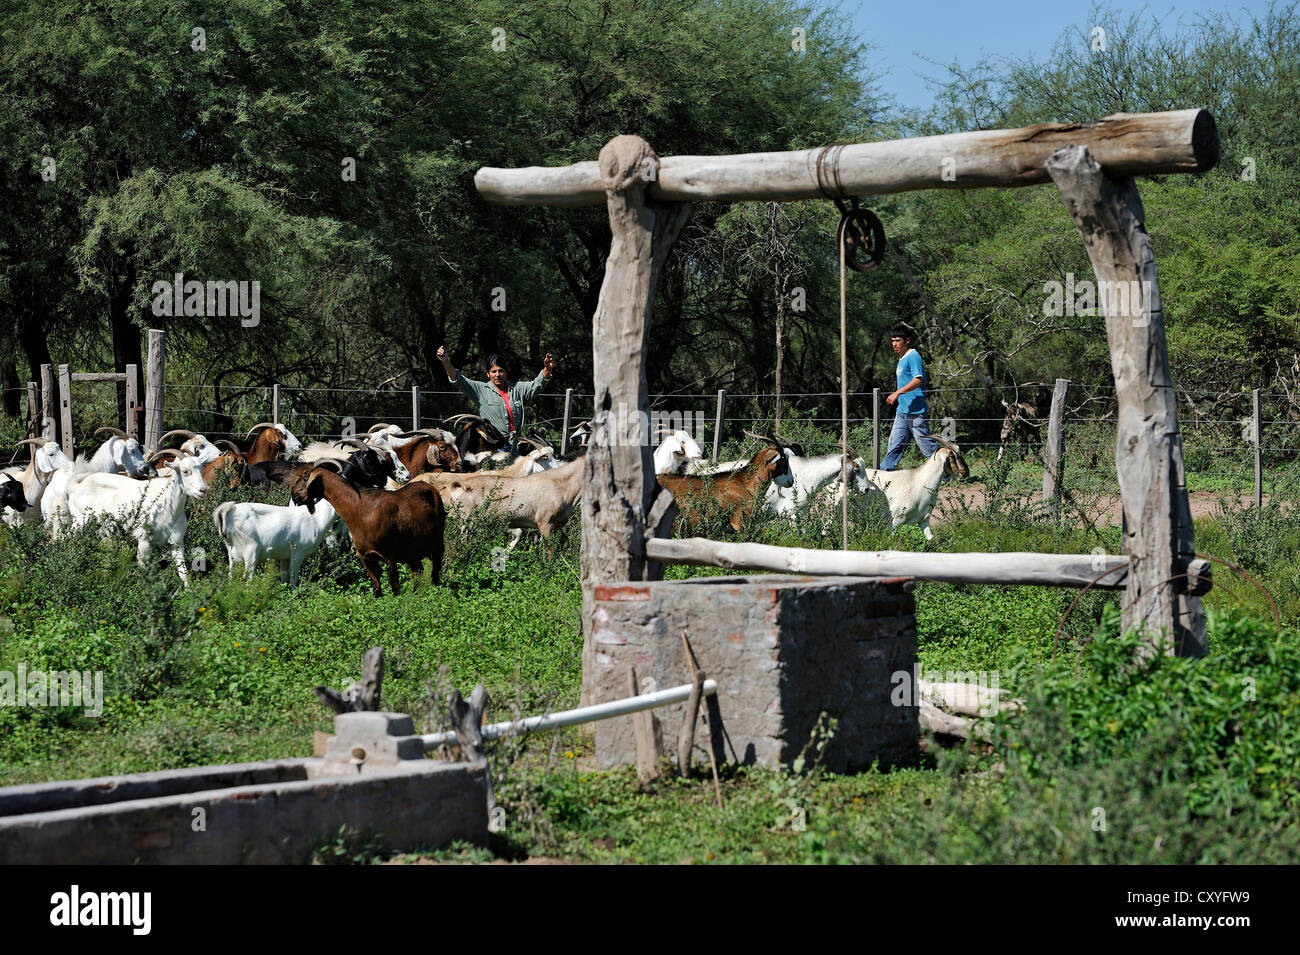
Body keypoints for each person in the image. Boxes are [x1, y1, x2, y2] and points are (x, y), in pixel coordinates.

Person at [436, 345, 555, 453]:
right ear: (488, 374)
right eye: (494, 371)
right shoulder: (480, 390)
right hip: (493, 446)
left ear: (506, 372)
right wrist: (445, 361)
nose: (497, 374)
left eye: (500, 370)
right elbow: (458, 379)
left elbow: (536, 386)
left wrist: (547, 369)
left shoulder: (517, 389)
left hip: (515, 444)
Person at [881, 325, 939, 470]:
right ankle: (884, 475)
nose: (894, 344)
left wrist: (897, 392)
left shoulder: (913, 356)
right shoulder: (901, 358)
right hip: (902, 411)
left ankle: (945, 475)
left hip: (916, 411)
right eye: (892, 340)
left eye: (897, 340)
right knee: (894, 446)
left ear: (907, 341)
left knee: (928, 448)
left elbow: (918, 379)